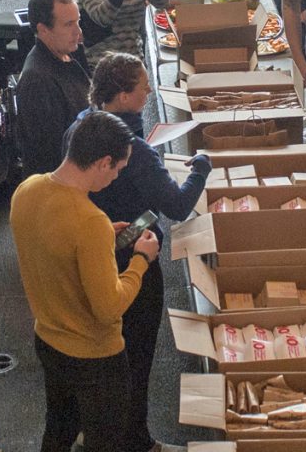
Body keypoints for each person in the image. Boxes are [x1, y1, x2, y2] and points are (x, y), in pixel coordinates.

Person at [63, 54, 211, 452]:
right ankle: (137, 440)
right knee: (137, 353)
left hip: (87, 252)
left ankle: (86, 430)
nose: (149, 92)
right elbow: (178, 206)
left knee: (94, 352)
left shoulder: (81, 124)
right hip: (132, 258)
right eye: (143, 87)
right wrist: (200, 167)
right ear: (124, 95)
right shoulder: (135, 153)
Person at [11, 110, 159, 452]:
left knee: (59, 430)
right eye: (118, 170)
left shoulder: (26, 190)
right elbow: (108, 309)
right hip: (96, 359)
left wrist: (103, 236)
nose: (116, 178)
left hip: (48, 340)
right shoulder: (89, 221)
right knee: (105, 441)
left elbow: (52, 248)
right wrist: (140, 260)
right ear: (104, 162)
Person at [16, 0, 90, 176]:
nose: (78, 32)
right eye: (68, 25)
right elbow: (53, 156)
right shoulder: (38, 81)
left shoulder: (67, 51)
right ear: (43, 30)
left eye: (78, 22)